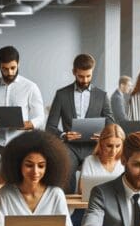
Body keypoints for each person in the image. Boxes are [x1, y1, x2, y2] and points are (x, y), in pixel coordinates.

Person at [45, 54, 115, 193]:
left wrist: (102, 135)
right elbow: (50, 127)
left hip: (94, 146)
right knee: (64, 173)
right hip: (69, 147)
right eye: (81, 76)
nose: (85, 80)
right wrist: (64, 135)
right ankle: (67, 210)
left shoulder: (102, 95)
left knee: (96, 181)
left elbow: (111, 123)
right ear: (74, 72)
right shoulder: (61, 94)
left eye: (88, 76)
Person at [0, 46, 45, 154]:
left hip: (22, 142)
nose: (9, 72)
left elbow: (40, 117)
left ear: (18, 64)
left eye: (13, 68)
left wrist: (28, 124)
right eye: (5, 69)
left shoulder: (31, 87)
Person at [78, 123, 125, 195]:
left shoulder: (125, 162)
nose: (113, 151)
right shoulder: (89, 161)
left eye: (118, 146)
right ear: (101, 143)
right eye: (109, 146)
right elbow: (82, 190)